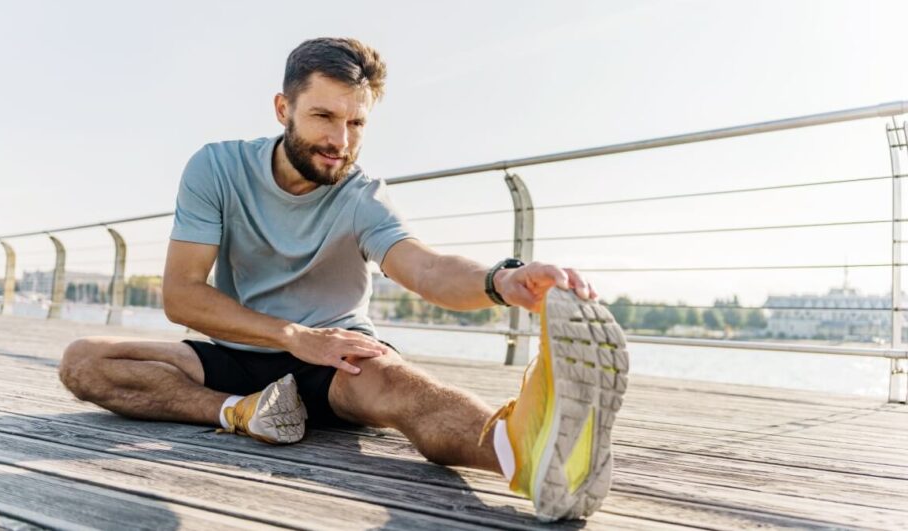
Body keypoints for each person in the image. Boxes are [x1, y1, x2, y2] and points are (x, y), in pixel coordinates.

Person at [58, 37, 629, 522]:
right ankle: (241, 410)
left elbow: (424, 267)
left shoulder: (362, 196)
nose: (341, 141)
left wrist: (501, 280)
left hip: (337, 356)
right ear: (283, 107)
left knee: (401, 389)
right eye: (324, 117)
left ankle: (525, 452)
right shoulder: (216, 168)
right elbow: (182, 295)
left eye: (356, 122)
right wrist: (289, 335)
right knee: (84, 361)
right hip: (238, 349)